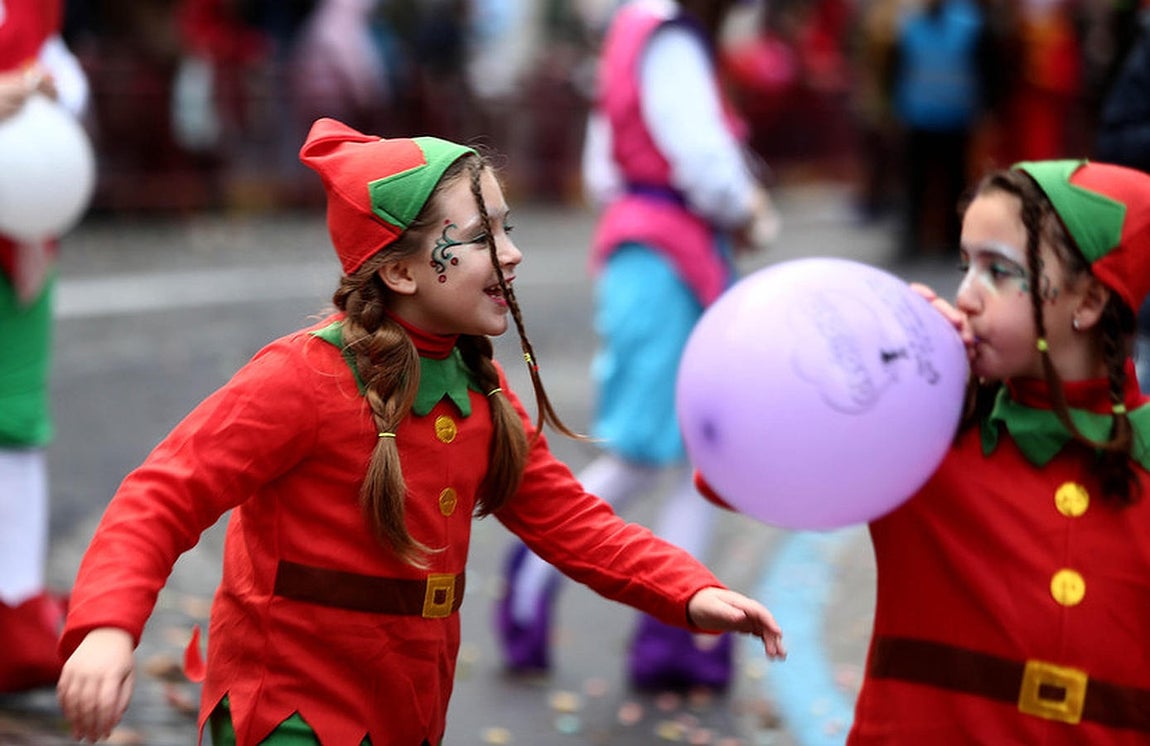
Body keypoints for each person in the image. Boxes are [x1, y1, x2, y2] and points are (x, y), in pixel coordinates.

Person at [54, 118, 786, 746]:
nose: (513, 251)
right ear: (402, 273)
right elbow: (164, 494)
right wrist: (107, 627)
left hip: (406, 708)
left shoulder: (482, 387)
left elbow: (571, 521)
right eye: (481, 235)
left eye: (508, 227)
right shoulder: (299, 379)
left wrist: (688, 590)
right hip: (289, 711)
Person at [695, 158, 1150, 742]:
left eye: (998, 270)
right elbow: (735, 470)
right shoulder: (927, 428)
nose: (965, 295)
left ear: (1087, 302)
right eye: (967, 265)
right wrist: (882, 369)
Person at [494, 0, 780, 692]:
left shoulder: (633, 29)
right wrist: (749, 212)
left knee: (686, 454)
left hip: (652, 253)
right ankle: (535, 589)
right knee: (653, 449)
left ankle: (674, 627)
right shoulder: (668, 35)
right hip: (669, 260)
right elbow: (704, 158)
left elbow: (603, 169)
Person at [0, 0, 89, 694]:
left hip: (21, 239)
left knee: (18, 420)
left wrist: (53, 85)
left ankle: (16, 604)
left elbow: (60, 63)